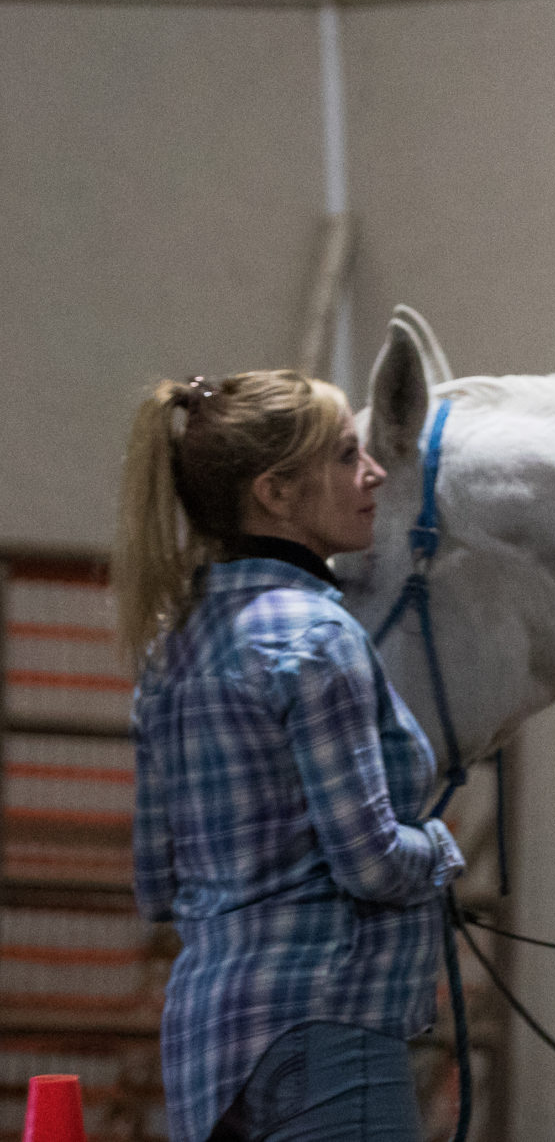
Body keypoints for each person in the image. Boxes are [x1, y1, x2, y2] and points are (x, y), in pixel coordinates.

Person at [114, 371, 465, 1142]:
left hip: (206, 1045)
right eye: (346, 455)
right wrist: (440, 850)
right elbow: (369, 862)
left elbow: (154, 880)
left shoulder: (172, 646)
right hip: (327, 1031)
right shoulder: (316, 636)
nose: (371, 472)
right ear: (276, 492)